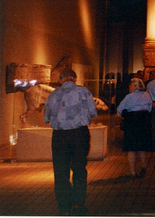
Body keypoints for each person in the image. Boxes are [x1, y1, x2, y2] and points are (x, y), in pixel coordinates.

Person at [43, 69, 98, 216]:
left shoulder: (54, 94)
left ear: (61, 80)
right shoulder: (84, 92)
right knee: (79, 169)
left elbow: (46, 117)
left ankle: (64, 206)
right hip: (80, 134)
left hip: (60, 136)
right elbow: (93, 113)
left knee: (61, 171)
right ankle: (78, 203)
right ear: (75, 78)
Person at [117, 78, 153, 177]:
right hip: (144, 122)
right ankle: (143, 164)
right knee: (141, 146)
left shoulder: (129, 97)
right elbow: (150, 108)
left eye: (131, 85)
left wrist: (123, 115)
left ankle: (132, 171)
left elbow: (119, 109)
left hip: (132, 122)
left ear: (135, 86)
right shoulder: (147, 95)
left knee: (131, 148)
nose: (129, 87)